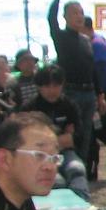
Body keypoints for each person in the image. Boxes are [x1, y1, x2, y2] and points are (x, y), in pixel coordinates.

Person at [46, 0, 97, 172]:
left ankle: (82, 169)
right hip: (71, 92)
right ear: (66, 17)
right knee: (71, 132)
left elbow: (92, 68)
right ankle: (68, 168)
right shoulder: (61, 37)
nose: (79, 16)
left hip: (89, 93)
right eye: (75, 13)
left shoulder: (86, 40)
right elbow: (51, 19)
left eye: (81, 12)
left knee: (86, 134)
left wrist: (100, 95)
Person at [21, 66, 90, 199]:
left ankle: (82, 203)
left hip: (65, 153)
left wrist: (71, 138)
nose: (52, 91)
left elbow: (79, 135)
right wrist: (57, 141)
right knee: (57, 180)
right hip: (39, 156)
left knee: (77, 169)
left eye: (56, 86)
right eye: (47, 86)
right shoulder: (29, 108)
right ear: (39, 87)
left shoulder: (69, 105)